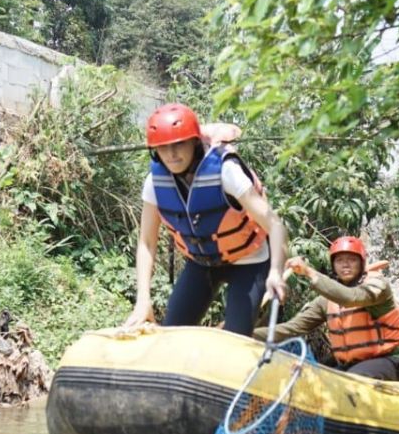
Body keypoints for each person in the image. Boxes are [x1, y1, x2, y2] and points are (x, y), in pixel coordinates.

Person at [122, 103, 288, 336]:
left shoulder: (225, 171)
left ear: (194, 142)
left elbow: (275, 224)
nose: (171, 154)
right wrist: (143, 300)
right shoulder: (154, 182)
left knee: (235, 338)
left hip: (249, 260)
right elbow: (147, 243)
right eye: (163, 147)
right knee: (172, 332)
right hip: (201, 262)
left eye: (178, 144)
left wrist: (276, 271)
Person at [253, 237, 399, 380]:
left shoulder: (378, 286)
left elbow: (351, 297)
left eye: (351, 260)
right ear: (333, 265)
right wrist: (244, 332)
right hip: (349, 364)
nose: (345, 264)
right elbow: (293, 328)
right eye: (340, 260)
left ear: (361, 263)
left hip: (390, 360)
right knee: (304, 378)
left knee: (351, 379)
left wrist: (309, 272)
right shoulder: (326, 301)